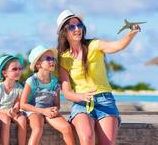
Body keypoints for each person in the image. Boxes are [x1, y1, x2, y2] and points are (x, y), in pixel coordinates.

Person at [56, 9, 141, 145]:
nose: (77, 29)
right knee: (87, 137)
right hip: (81, 104)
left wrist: (131, 33)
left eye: (79, 25)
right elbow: (67, 92)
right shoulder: (63, 58)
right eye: (72, 26)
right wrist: (81, 96)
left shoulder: (94, 45)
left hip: (105, 100)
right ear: (64, 32)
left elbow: (118, 45)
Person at [20, 45, 75, 145]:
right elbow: (22, 104)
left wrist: (55, 110)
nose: (52, 61)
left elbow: (57, 104)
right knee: (37, 129)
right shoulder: (32, 81)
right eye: (48, 59)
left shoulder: (54, 82)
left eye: (53, 59)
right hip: (33, 111)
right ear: (38, 64)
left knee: (67, 128)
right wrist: (42, 111)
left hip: (49, 112)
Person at [0, 54, 27, 145]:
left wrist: (15, 109)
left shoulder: (19, 87)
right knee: (6, 119)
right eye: (14, 69)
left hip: (12, 112)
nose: (18, 71)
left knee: (22, 119)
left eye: (20, 68)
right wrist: (6, 111)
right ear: (5, 73)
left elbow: (18, 103)